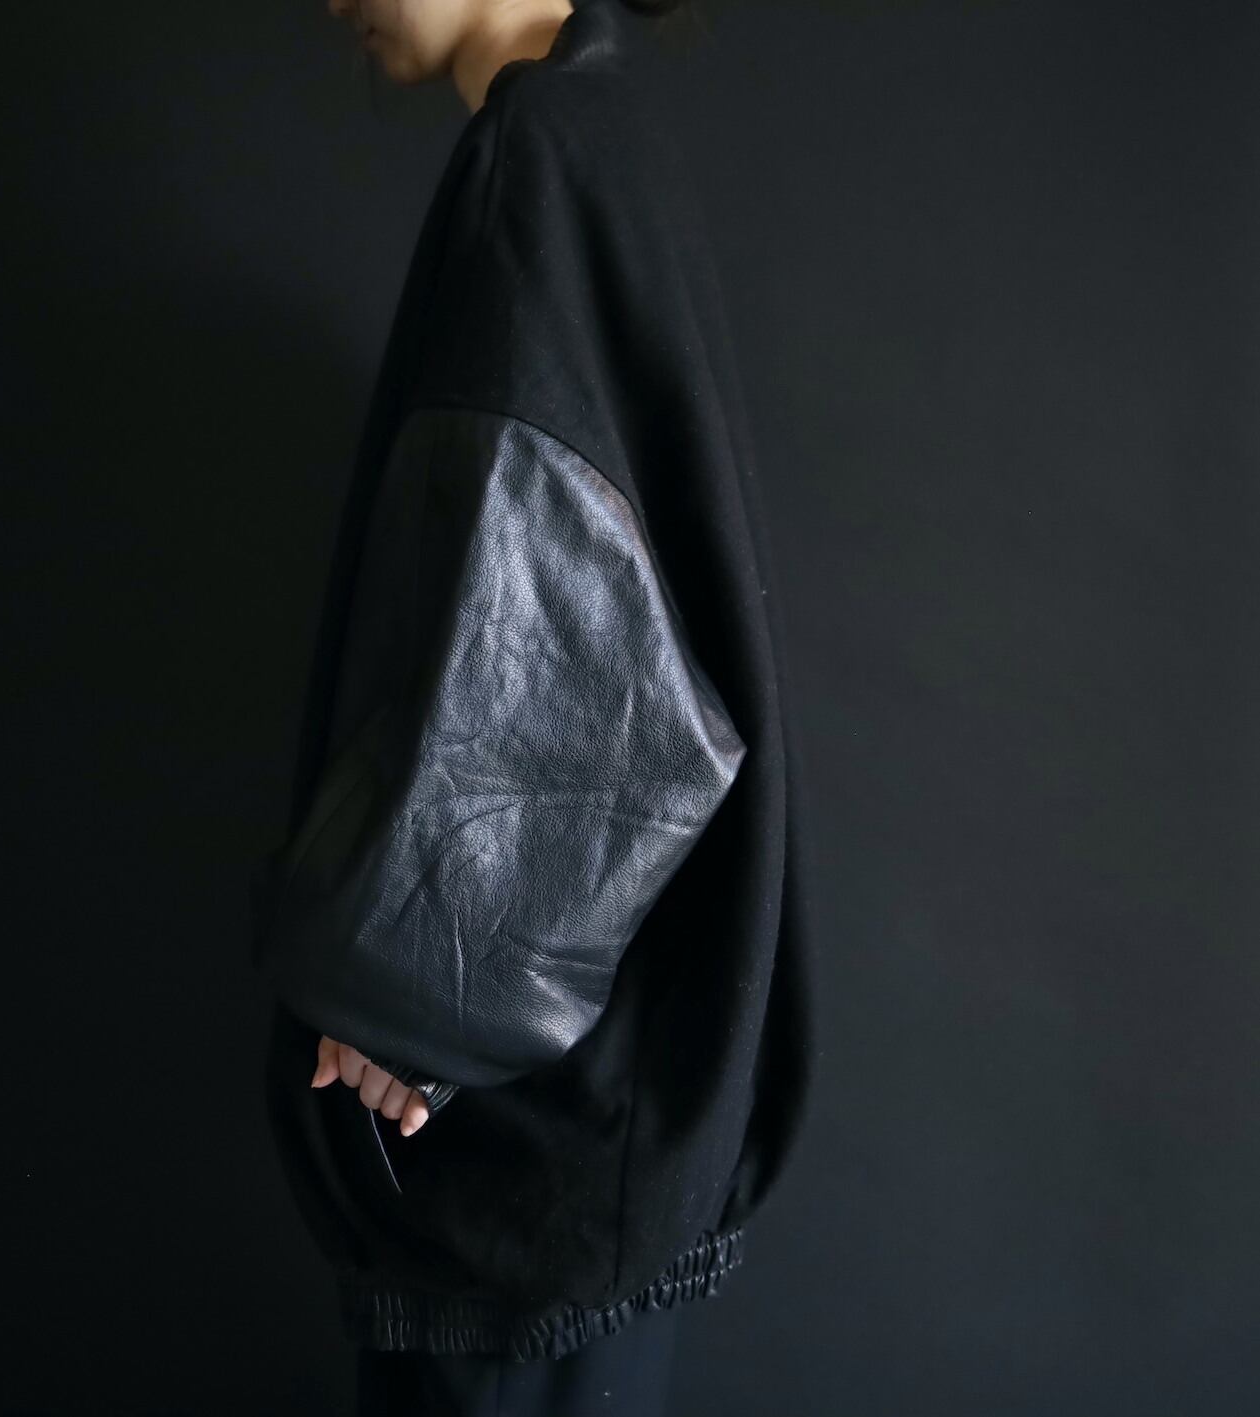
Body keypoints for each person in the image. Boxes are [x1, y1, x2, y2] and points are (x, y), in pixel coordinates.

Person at [248, 0, 814, 1409]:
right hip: (604, 1139)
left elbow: (572, 649)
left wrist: (408, 1006)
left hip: (516, 1159)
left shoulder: (543, 150)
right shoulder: (607, 130)